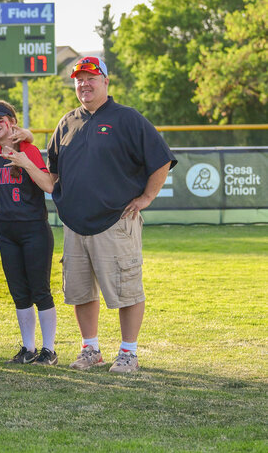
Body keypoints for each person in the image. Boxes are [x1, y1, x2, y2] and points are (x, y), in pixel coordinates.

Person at [47, 57, 176, 373]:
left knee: (127, 289)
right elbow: (52, 171)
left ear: (106, 82)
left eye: (91, 77)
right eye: (79, 79)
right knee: (80, 291)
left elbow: (161, 159)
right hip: (76, 224)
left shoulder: (127, 118)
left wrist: (147, 197)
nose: (84, 84)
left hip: (115, 221)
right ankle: (90, 348)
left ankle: (129, 353)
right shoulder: (67, 122)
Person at [0, 100, 58, 366]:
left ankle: (49, 350)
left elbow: (49, 185)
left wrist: (26, 161)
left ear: (11, 122)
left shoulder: (28, 149)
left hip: (34, 228)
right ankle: (28, 347)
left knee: (40, 290)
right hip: (7, 230)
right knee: (19, 292)